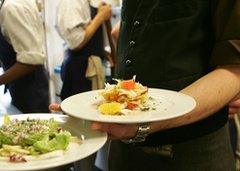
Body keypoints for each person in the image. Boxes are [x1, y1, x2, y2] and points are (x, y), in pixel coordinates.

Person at [51, 0, 240, 170]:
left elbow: (235, 68)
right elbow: (122, 30)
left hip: (193, 151)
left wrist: (219, 92)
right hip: (125, 153)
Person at [55, 0, 112, 101]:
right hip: (79, 69)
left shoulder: (85, 2)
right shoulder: (71, 3)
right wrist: (100, 17)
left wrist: (103, 52)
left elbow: (89, 33)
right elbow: (76, 42)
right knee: (79, 110)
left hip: (88, 65)